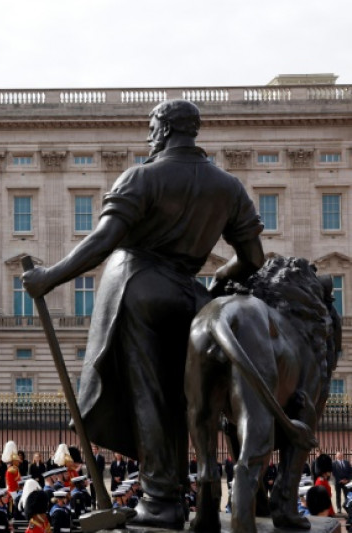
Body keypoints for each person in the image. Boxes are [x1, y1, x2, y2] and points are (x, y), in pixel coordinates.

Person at [23, 99, 264, 529]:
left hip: (138, 286)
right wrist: (215, 281)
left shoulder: (141, 176)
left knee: (149, 395)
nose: (149, 137)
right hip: (191, 296)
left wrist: (49, 278)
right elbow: (253, 259)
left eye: (152, 128)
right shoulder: (229, 187)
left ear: (165, 129)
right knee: (191, 400)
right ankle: (202, 493)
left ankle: (161, 500)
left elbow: (104, 240)